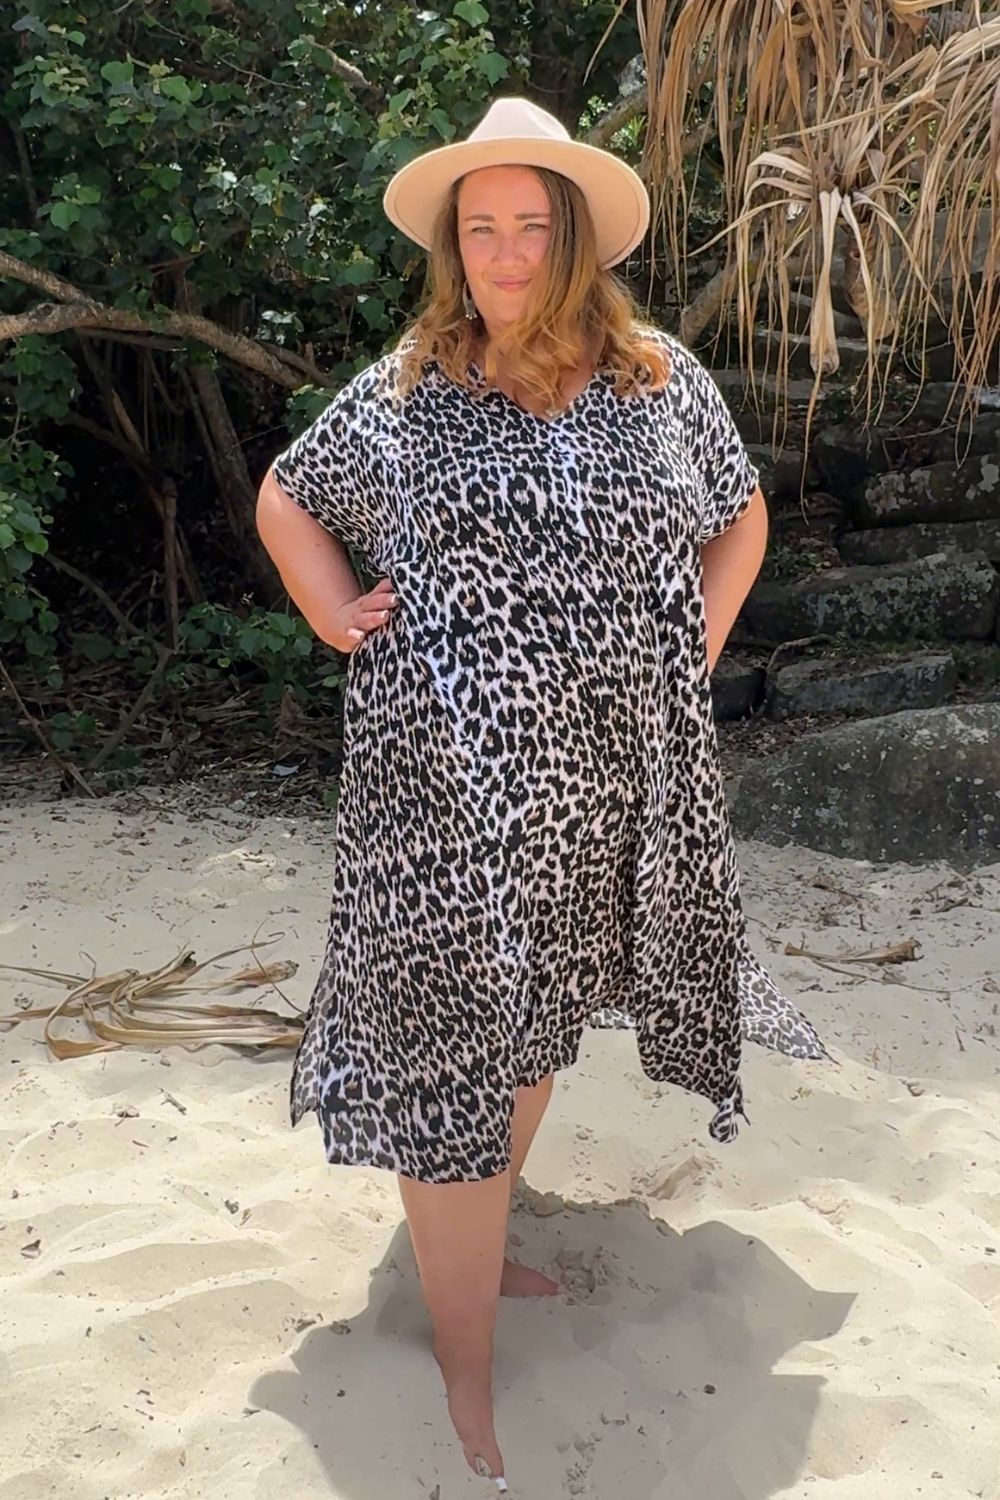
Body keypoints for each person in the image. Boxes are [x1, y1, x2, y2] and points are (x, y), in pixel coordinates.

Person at [256, 95, 827, 1489]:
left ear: (573, 237)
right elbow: (287, 495)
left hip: (604, 787)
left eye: (530, 225)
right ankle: (461, 1370)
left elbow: (740, 512)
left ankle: (480, 1251)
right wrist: (335, 611)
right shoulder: (405, 386)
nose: (505, 254)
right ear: (456, 244)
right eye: (482, 228)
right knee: (456, 1051)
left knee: (541, 1022)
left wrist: (694, 638)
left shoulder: (658, 381)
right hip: (436, 793)